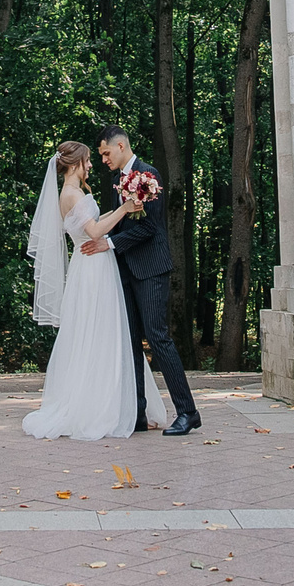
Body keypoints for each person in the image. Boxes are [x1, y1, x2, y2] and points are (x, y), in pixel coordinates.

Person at [22, 139, 172, 440]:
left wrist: (124, 209)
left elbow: (92, 221)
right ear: (74, 164)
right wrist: (125, 208)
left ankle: (121, 406)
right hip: (92, 268)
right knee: (99, 333)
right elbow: (93, 232)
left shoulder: (74, 192)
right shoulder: (70, 193)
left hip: (94, 265)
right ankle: (100, 409)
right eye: (88, 160)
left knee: (106, 334)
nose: (91, 165)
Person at [88, 126, 201, 435]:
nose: (104, 160)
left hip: (150, 268)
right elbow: (119, 221)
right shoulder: (116, 181)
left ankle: (188, 412)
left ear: (121, 146)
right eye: (101, 156)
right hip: (124, 270)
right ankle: (137, 413)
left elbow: (149, 227)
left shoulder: (149, 175)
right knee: (131, 341)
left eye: (106, 153)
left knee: (158, 337)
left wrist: (109, 244)